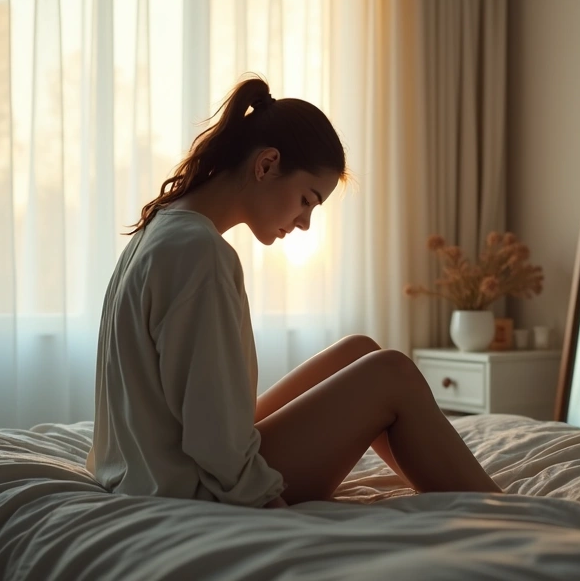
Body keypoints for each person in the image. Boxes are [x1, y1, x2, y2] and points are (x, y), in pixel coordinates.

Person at [85, 77, 501, 507]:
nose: (304, 223)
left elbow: (206, 410)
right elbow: (215, 437)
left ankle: (444, 482)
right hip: (188, 487)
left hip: (148, 468)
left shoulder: (166, 227)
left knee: (359, 350)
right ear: (266, 165)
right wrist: (264, 498)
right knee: (391, 373)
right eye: (306, 200)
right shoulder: (199, 252)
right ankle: (497, 506)